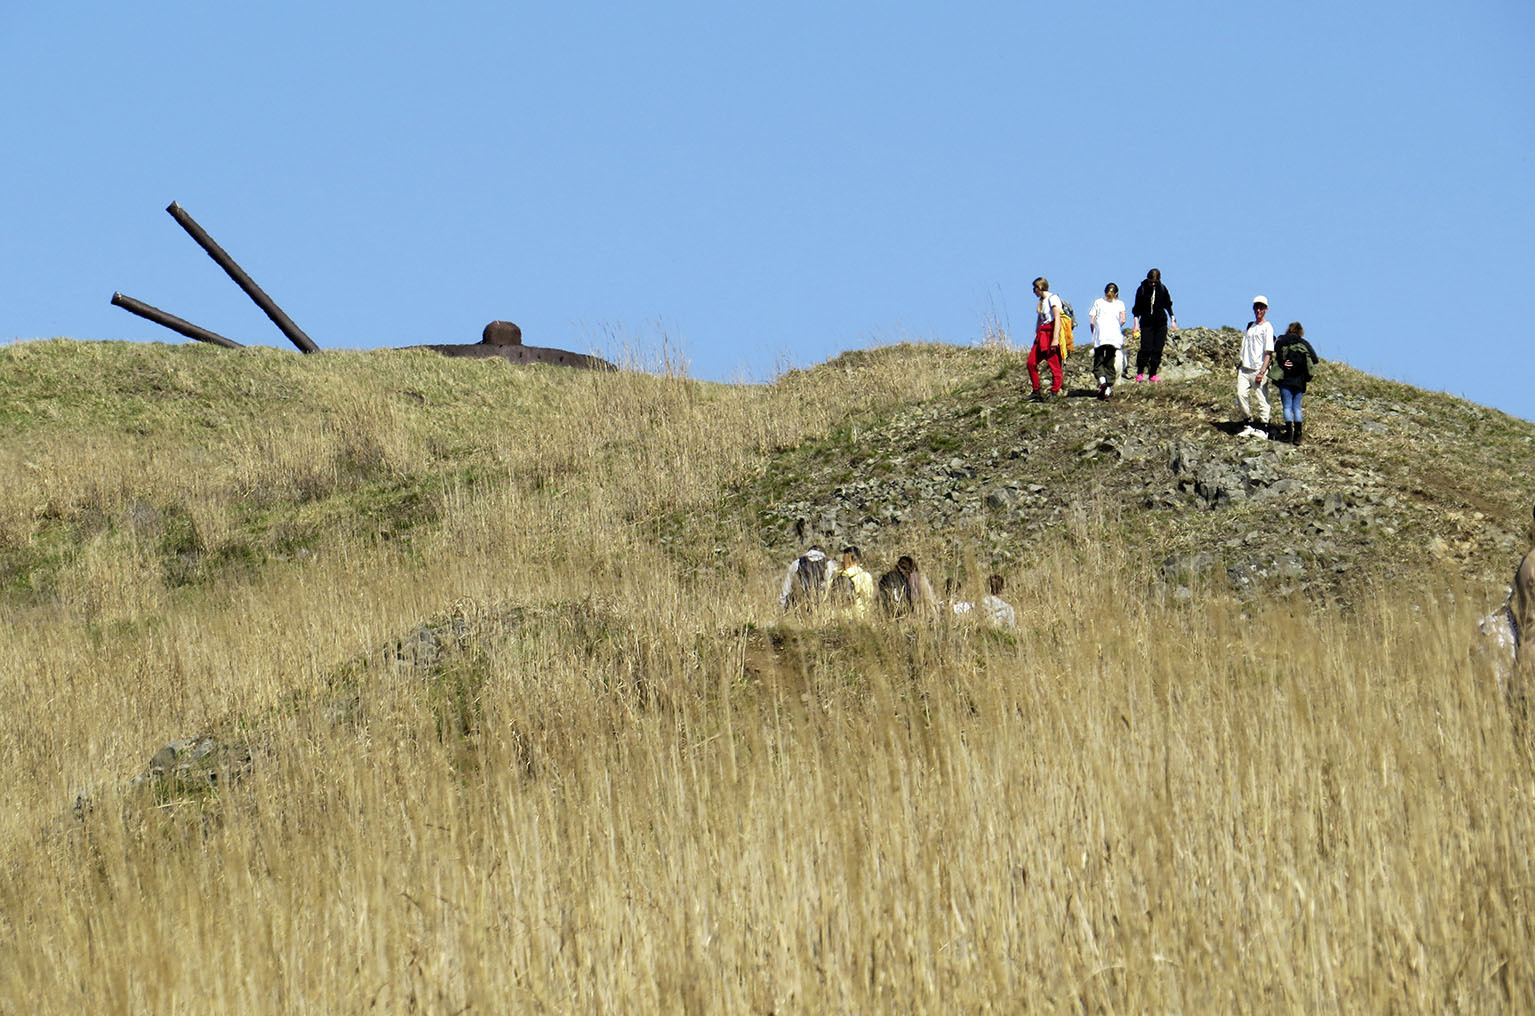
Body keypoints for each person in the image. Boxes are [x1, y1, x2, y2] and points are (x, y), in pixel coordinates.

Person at [1271, 322, 1321, 444]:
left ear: (1289, 329)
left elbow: (1276, 353)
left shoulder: (1282, 340)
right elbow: (1314, 359)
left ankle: (1288, 434)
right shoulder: (1304, 343)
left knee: (1287, 406)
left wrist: (1284, 363)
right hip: (1299, 381)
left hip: (1285, 379)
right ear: (1300, 331)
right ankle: (1298, 435)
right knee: (1297, 407)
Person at [1235, 295, 1274, 438]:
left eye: (1261, 307)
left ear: (1266, 309)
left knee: (1261, 398)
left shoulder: (1267, 327)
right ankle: (1248, 423)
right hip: (1245, 368)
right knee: (1241, 394)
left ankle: (1264, 428)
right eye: (1257, 307)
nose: (1259, 310)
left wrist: (1262, 371)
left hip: (1258, 368)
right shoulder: (1250, 326)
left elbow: (1268, 352)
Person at [1130, 268, 1178, 382]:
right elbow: (1137, 309)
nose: (1152, 284)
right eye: (1150, 281)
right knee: (1146, 348)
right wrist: (1136, 325)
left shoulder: (1162, 289)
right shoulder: (1141, 290)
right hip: (1146, 323)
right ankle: (1140, 372)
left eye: (1154, 282)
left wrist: (1173, 320)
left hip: (1161, 323)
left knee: (1157, 349)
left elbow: (1168, 305)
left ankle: (1153, 374)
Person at [1027, 276, 1066, 401]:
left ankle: (1055, 391)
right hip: (1041, 335)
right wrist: (1036, 333)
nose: (1034, 292)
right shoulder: (1042, 301)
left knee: (1054, 364)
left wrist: (1055, 338)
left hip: (1050, 334)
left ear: (1039, 287)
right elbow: (1040, 320)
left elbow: (1057, 318)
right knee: (1031, 363)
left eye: (1034, 289)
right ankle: (1036, 390)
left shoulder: (1053, 298)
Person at [1088, 283, 1126, 400]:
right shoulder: (1120, 303)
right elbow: (1123, 320)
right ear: (1117, 294)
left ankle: (1102, 381)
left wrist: (1093, 333)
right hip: (1114, 337)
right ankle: (1108, 390)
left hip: (1101, 336)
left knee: (1098, 361)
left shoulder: (1098, 302)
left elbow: (1092, 320)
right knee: (1110, 362)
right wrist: (1116, 326)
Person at [830, 545, 877, 619]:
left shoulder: (836, 575)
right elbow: (867, 597)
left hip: (837, 615)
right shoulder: (864, 576)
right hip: (857, 615)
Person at [779, 544, 831, 611]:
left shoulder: (797, 563)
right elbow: (830, 585)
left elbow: (785, 589)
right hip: (822, 604)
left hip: (800, 604)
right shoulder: (829, 564)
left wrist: (781, 609)